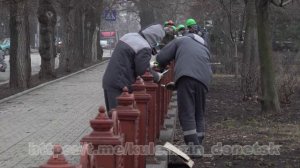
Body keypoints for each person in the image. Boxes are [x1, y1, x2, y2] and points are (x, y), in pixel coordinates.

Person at [156, 18, 212, 155]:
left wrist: (161, 67)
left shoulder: (180, 40)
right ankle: (198, 143)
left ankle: (194, 148)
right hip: (204, 80)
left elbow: (161, 57)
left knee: (187, 112)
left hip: (186, 77)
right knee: (199, 112)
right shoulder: (203, 46)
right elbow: (197, 65)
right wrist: (177, 84)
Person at [102, 24, 165, 113]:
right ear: (155, 38)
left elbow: (129, 60)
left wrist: (150, 65)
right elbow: (143, 71)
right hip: (121, 85)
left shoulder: (129, 36)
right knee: (121, 119)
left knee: (113, 116)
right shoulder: (144, 46)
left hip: (110, 80)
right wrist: (157, 76)